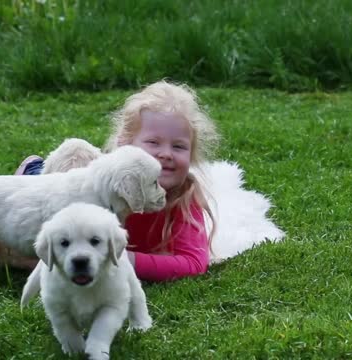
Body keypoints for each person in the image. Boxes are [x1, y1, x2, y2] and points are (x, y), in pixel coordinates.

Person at [15, 80, 219, 281]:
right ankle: (32, 170)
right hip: (46, 190)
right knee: (75, 160)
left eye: (179, 146)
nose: (166, 153)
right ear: (125, 145)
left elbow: (193, 264)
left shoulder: (184, 198)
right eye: (153, 142)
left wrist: (123, 259)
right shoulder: (105, 189)